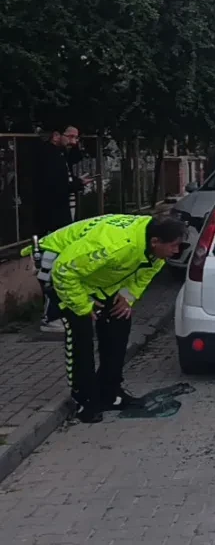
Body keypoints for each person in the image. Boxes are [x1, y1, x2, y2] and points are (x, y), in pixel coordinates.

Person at [20, 214, 185, 423]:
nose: (177, 251)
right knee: (81, 333)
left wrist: (128, 296)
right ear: (155, 242)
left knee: (119, 322)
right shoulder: (115, 246)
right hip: (60, 268)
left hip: (95, 275)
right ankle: (84, 399)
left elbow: (147, 271)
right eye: (173, 246)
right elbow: (64, 270)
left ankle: (110, 392)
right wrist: (82, 305)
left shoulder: (154, 246)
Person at [31, 126, 92, 333]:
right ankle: (50, 317)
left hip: (60, 221)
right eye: (71, 137)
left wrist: (74, 145)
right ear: (56, 135)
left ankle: (58, 312)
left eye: (77, 137)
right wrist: (76, 183)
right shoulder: (49, 156)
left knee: (60, 267)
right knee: (52, 269)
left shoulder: (59, 154)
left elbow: (75, 159)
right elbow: (54, 186)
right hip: (52, 222)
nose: (74, 141)